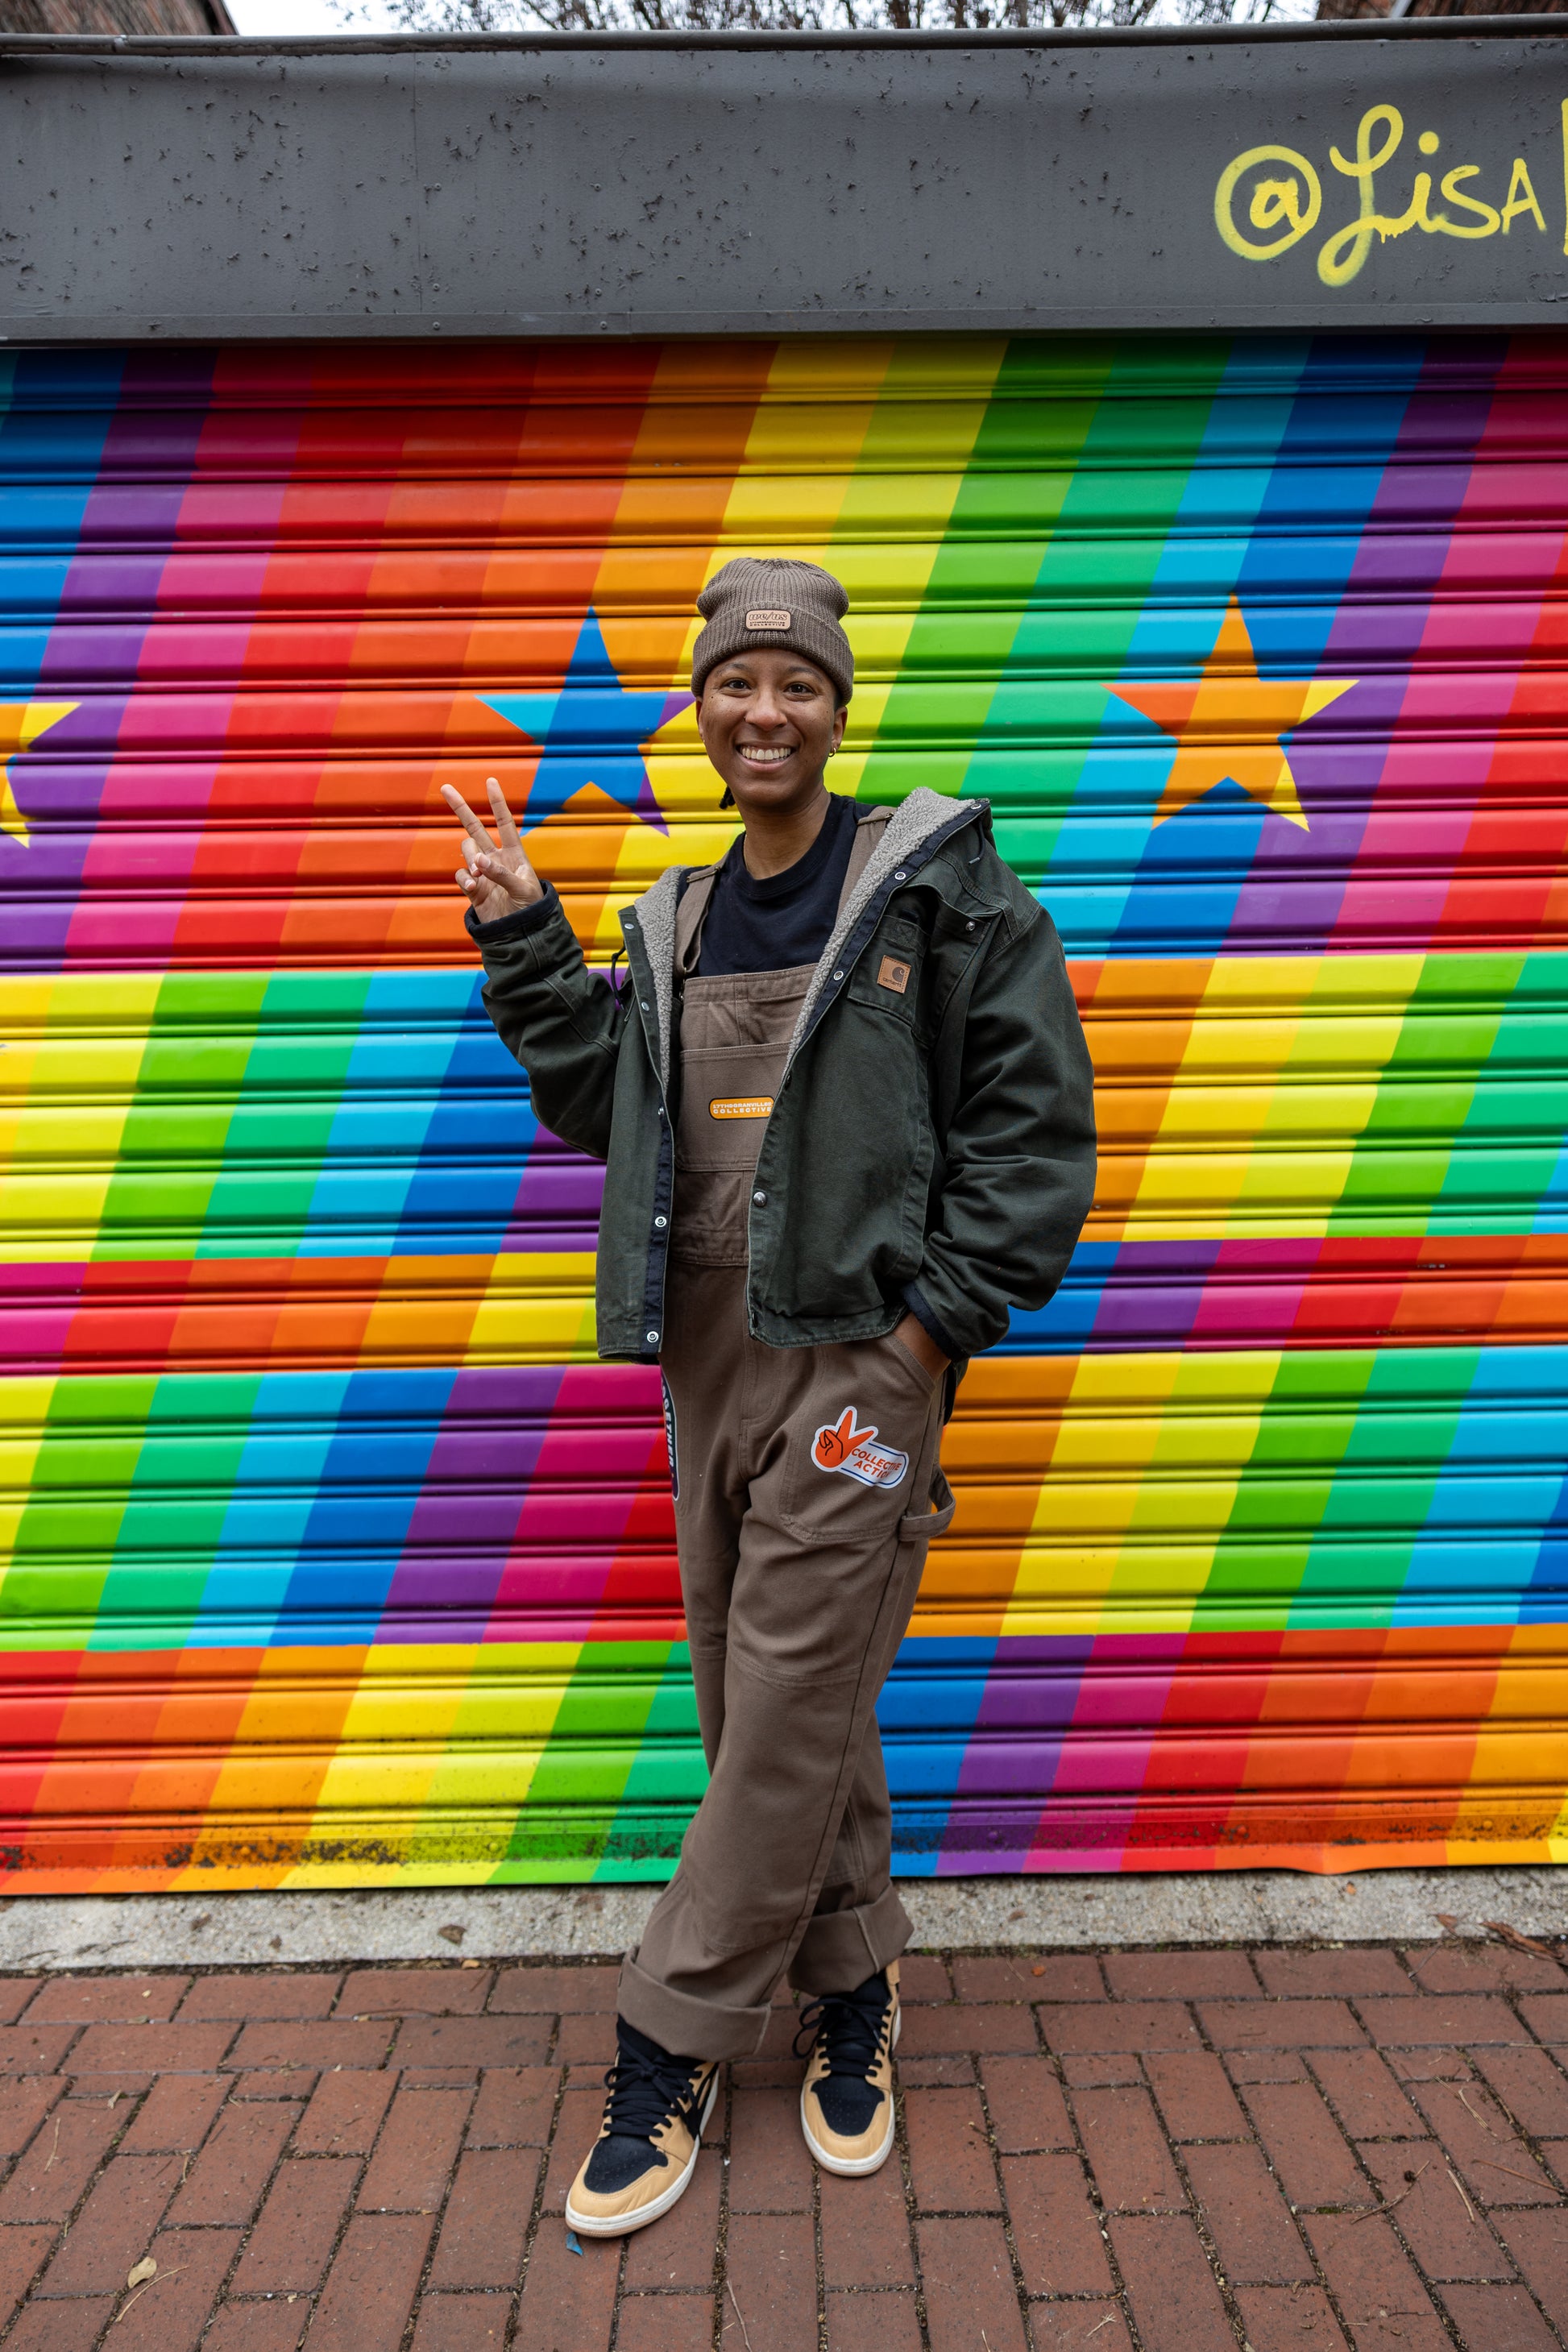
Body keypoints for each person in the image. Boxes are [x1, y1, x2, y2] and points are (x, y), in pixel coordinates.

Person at [443, 556, 1096, 2237]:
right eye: (736, 679)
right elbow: (614, 1111)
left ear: (837, 704)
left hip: (858, 1359)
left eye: (796, 680)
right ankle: (857, 1980)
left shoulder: (944, 894)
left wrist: (927, 1341)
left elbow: (1032, 1138)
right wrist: (527, 939)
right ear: (700, 704)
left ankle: (666, 2038)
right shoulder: (670, 918)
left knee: (792, 1676)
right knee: (765, 1691)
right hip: (703, 1349)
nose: (764, 708)